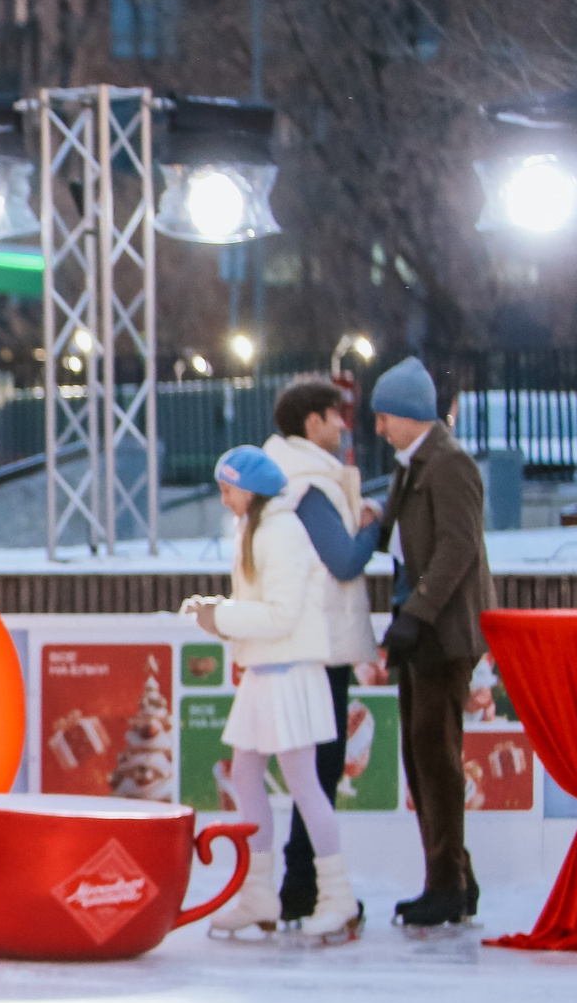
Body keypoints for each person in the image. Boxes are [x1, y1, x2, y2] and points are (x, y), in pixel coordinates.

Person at [190, 446, 358, 943]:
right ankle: (259, 893)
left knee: (304, 784)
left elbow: (282, 613)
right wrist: (221, 616)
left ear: (249, 489)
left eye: (227, 489)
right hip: (268, 672)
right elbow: (263, 608)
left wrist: (219, 616)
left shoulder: (280, 532)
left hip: (288, 674)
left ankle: (338, 895)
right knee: (246, 775)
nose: (223, 500)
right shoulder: (257, 530)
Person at [371, 356, 493, 928]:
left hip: (445, 632)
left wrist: (416, 613)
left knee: (435, 755)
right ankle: (453, 877)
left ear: (412, 414)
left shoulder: (449, 463)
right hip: (421, 629)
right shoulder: (411, 465)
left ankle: (447, 882)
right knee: (421, 757)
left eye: (385, 416)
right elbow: (391, 532)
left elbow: (457, 548)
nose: (379, 428)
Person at [262, 379, 383, 927]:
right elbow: (343, 560)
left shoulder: (285, 477)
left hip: (296, 645)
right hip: (318, 647)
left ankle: (295, 886)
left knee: (302, 770)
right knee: (318, 772)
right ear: (312, 423)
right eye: (336, 417)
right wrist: (372, 526)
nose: (343, 426)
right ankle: (307, 888)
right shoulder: (310, 483)